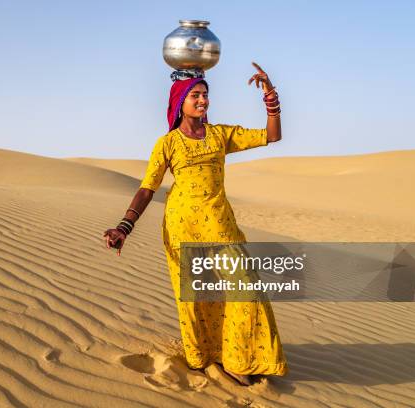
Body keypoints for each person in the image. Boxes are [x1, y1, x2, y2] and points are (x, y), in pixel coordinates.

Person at [103, 62, 288, 386]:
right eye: (196, 96)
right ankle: (207, 358)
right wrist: (124, 226)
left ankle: (240, 359)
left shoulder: (220, 134)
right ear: (180, 103)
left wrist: (271, 99)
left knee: (246, 290)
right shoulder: (168, 143)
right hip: (182, 227)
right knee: (198, 298)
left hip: (221, 225)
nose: (203, 101)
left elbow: (272, 135)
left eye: (205, 95)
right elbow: (148, 187)